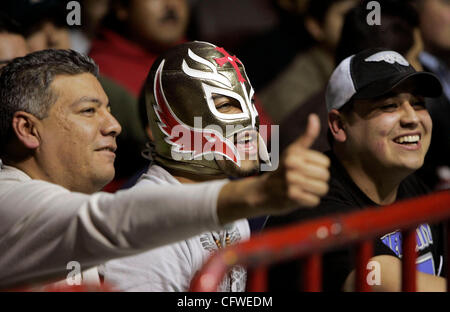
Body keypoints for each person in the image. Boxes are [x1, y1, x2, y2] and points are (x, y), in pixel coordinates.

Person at [0, 49, 330, 289]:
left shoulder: (230, 212)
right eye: (88, 111)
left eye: (109, 110)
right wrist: (258, 192)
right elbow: (109, 220)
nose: (114, 125)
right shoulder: (7, 201)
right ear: (28, 130)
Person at [102, 41, 278, 291]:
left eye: (248, 102)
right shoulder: (149, 225)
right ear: (168, 124)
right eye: (225, 105)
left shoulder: (226, 199)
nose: (249, 120)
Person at [267, 48, 446, 291]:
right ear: (339, 125)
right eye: (390, 106)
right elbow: (385, 284)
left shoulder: (411, 184)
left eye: (418, 103)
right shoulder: (310, 200)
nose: (412, 118)